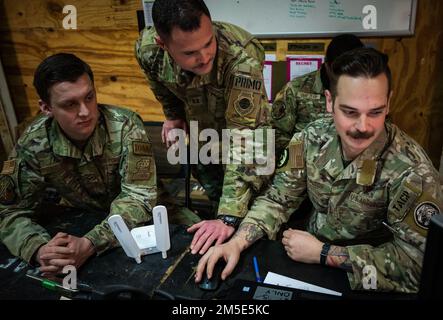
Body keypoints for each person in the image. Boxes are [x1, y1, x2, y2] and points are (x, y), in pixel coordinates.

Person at [195, 48, 443, 293]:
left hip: (367, 281)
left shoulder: (414, 174)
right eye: (350, 112)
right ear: (329, 101)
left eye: (376, 112)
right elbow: (278, 198)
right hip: (309, 263)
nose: (363, 126)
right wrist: (237, 243)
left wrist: (324, 254)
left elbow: (417, 266)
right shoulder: (309, 139)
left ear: (388, 104)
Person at [135, 0, 273, 255]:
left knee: (250, 202)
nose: (204, 56)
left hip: (243, 132)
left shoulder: (242, 57)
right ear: (162, 45)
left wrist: (229, 217)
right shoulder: (148, 51)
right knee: (213, 186)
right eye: (189, 53)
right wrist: (173, 115)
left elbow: (246, 140)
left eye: (209, 43)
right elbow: (160, 85)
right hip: (202, 132)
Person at [0, 53, 157, 275]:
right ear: (46, 108)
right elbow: (9, 211)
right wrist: (40, 249)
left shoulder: (125, 126)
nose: (85, 112)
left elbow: (139, 199)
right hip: (83, 223)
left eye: (89, 97)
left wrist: (90, 244)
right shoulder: (34, 143)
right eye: (70, 104)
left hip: (147, 225)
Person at [273, 34, 364, 158]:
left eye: (351, 74)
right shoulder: (296, 89)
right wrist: (302, 159)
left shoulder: (367, 91)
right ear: (327, 64)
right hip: (304, 169)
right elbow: (276, 133)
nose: (345, 80)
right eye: (339, 73)